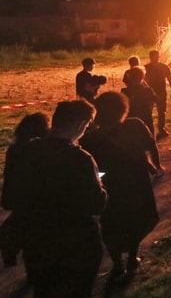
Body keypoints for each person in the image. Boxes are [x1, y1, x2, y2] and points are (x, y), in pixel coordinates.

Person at [4, 99, 106, 297]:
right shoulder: (81, 159)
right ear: (80, 125)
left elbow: (9, 199)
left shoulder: (23, 153)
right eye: (86, 126)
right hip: (76, 246)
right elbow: (96, 204)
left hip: (37, 244)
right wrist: (101, 188)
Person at [80, 91, 161, 281]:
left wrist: (100, 179)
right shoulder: (135, 126)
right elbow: (151, 145)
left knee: (111, 224)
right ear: (123, 109)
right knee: (135, 219)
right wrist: (154, 165)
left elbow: (92, 169)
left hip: (110, 188)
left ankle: (117, 265)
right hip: (137, 183)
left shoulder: (89, 139)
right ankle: (132, 258)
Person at [0, 113, 51, 268]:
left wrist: (8, 197)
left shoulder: (15, 149)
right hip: (38, 199)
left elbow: (9, 174)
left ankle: (11, 253)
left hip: (20, 198)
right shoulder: (43, 149)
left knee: (19, 225)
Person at [145, 49, 171, 139]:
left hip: (160, 92)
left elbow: (170, 80)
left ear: (158, 57)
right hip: (150, 93)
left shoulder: (164, 67)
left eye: (155, 57)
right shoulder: (147, 68)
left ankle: (160, 129)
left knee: (161, 112)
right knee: (149, 112)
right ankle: (150, 130)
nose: (154, 58)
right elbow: (144, 81)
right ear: (150, 57)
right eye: (152, 57)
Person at [121, 66, 157, 136]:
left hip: (131, 119)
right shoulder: (147, 90)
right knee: (150, 137)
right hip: (146, 118)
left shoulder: (125, 91)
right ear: (143, 78)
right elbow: (153, 100)